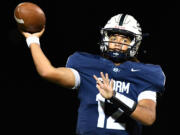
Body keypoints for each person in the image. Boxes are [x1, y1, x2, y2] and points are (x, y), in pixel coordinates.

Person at [21, 14, 166, 135]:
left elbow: (148, 118)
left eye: (124, 39)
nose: (117, 43)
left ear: (136, 43)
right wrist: (33, 39)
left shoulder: (146, 73)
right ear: (105, 38)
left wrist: (115, 96)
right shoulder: (87, 65)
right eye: (113, 38)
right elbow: (47, 72)